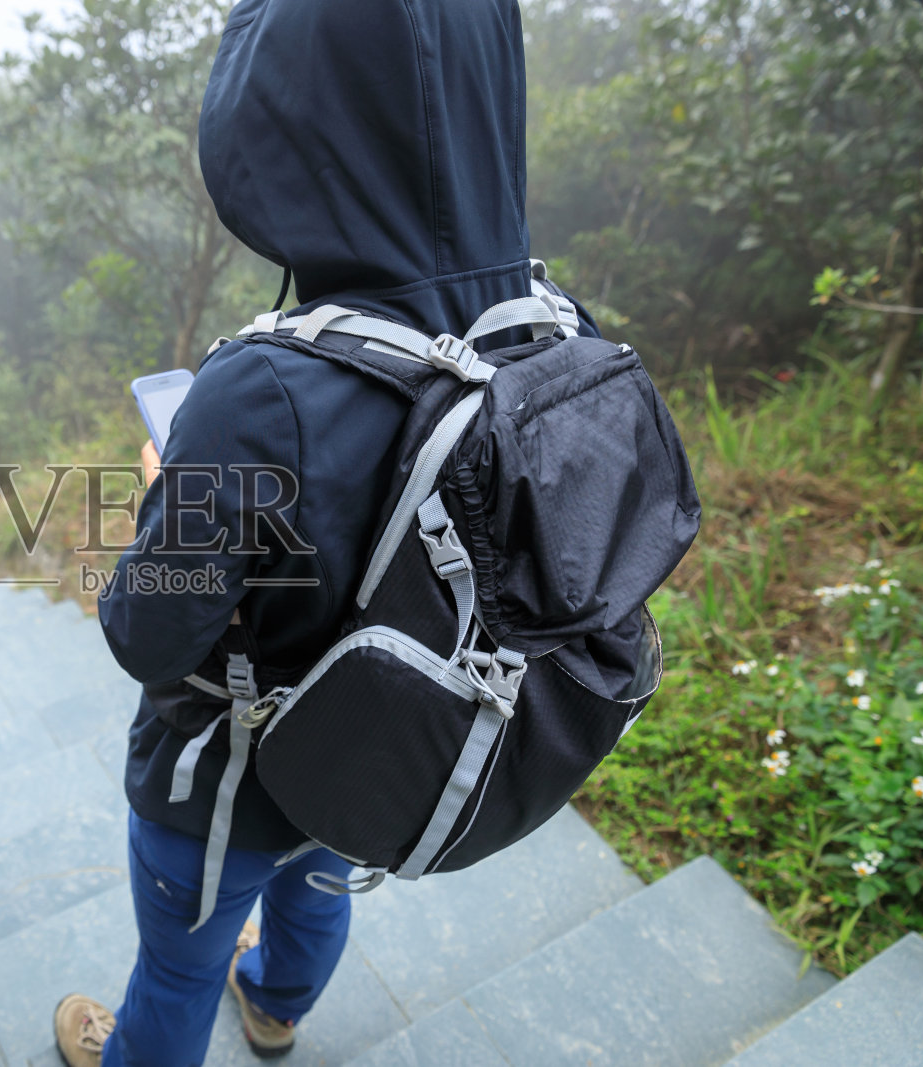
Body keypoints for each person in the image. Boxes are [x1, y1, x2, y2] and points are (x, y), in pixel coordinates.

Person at [53, 1, 600, 1064]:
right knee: (315, 882)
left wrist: (167, 491)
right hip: (389, 750)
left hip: (227, 776)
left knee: (175, 965)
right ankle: (277, 1003)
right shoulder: (551, 325)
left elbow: (147, 634)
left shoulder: (259, 388)